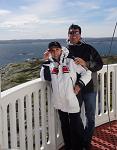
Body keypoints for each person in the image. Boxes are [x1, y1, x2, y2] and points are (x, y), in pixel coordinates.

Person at [40, 41, 92, 150]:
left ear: (61, 49)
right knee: (64, 125)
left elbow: (87, 73)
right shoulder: (49, 64)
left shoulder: (70, 61)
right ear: (49, 52)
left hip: (71, 99)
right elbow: (45, 78)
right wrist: (45, 61)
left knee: (75, 126)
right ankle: (68, 146)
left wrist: (79, 85)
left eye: (57, 49)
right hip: (59, 102)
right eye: (52, 50)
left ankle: (78, 147)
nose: (55, 52)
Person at [67, 24, 103, 150]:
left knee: (90, 116)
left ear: (80, 34)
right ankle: (82, 139)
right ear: (68, 35)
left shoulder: (89, 48)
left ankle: (86, 142)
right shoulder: (66, 51)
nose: (73, 35)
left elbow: (99, 64)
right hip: (75, 89)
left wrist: (86, 63)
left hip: (91, 87)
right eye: (71, 33)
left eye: (76, 32)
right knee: (75, 116)